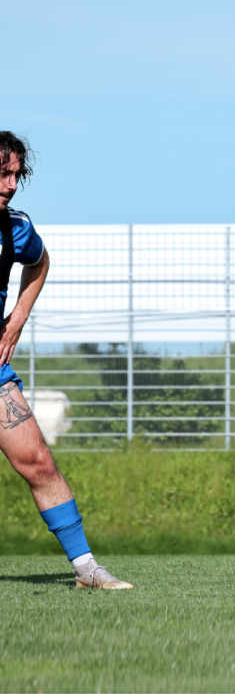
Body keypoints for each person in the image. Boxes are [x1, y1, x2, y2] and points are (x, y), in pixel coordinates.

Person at [0, 132, 132, 590]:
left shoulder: (15, 228)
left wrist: (17, 318)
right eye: (3, 173)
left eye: (17, 174)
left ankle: (87, 570)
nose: (12, 183)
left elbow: (39, 263)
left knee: (38, 461)